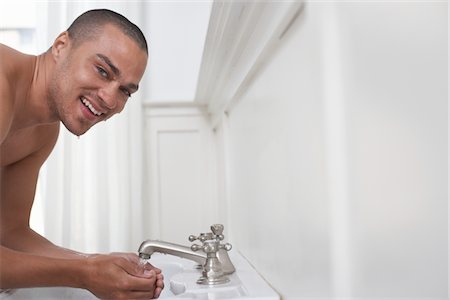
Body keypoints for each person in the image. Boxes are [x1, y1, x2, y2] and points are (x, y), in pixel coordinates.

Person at [0, 9, 164, 299]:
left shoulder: (44, 132)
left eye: (125, 91)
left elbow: (10, 233)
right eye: (102, 71)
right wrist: (85, 274)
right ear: (61, 45)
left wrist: (96, 262)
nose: (110, 99)